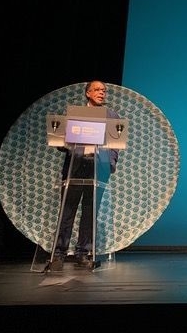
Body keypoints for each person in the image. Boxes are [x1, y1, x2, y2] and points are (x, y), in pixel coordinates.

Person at [50, 80, 120, 271]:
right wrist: (62, 142)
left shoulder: (111, 115)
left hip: (98, 168)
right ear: (88, 93)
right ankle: (58, 254)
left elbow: (116, 143)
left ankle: (83, 254)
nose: (101, 93)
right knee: (67, 211)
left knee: (90, 213)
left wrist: (112, 163)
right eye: (97, 90)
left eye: (103, 90)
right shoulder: (74, 113)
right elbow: (60, 142)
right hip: (76, 166)